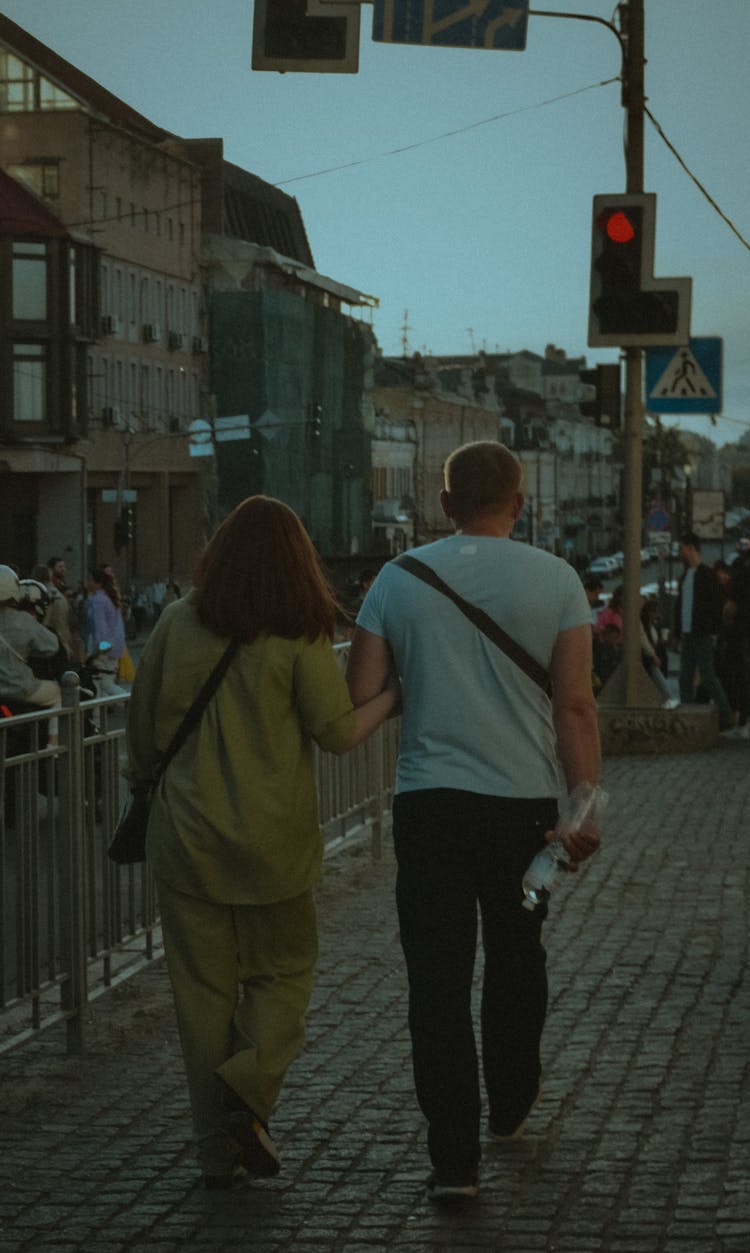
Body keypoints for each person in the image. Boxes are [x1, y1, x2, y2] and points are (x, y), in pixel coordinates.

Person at [346, 441, 601, 1203]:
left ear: (445, 503)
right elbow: (576, 706)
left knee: (437, 980)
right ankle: (512, 1099)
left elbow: (360, 691)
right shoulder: (556, 579)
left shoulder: (397, 578)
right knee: (518, 951)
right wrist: (581, 807)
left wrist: (406, 688)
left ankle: (453, 1162)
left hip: (430, 808)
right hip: (524, 817)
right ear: (518, 504)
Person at [125, 496, 398, 1190]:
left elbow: (142, 737)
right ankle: (248, 1092)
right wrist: (392, 698)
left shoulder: (177, 623)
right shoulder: (298, 633)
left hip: (185, 843)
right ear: (297, 560)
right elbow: (336, 733)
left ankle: (218, 1155)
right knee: (284, 974)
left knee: (201, 999)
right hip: (272, 846)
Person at [674, 532, 734, 731]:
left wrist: (712, 631)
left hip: (701, 634)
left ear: (691, 548)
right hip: (688, 633)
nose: (679, 553)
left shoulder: (706, 574)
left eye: (682, 548)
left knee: (707, 675)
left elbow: (715, 605)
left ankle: (726, 714)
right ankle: (687, 716)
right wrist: (677, 632)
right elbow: (681, 606)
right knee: (685, 677)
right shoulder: (685, 575)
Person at [0, 564, 62, 730]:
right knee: (57, 694)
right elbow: (51, 646)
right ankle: (53, 746)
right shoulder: (22, 620)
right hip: (20, 688)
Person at [86, 566, 126, 696]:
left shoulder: (98, 600)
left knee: (102, 684)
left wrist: (97, 650)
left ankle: (128, 700)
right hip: (114, 647)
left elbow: (100, 630)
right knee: (105, 685)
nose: (88, 583)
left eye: (90, 580)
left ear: (98, 583)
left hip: (104, 650)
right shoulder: (110, 598)